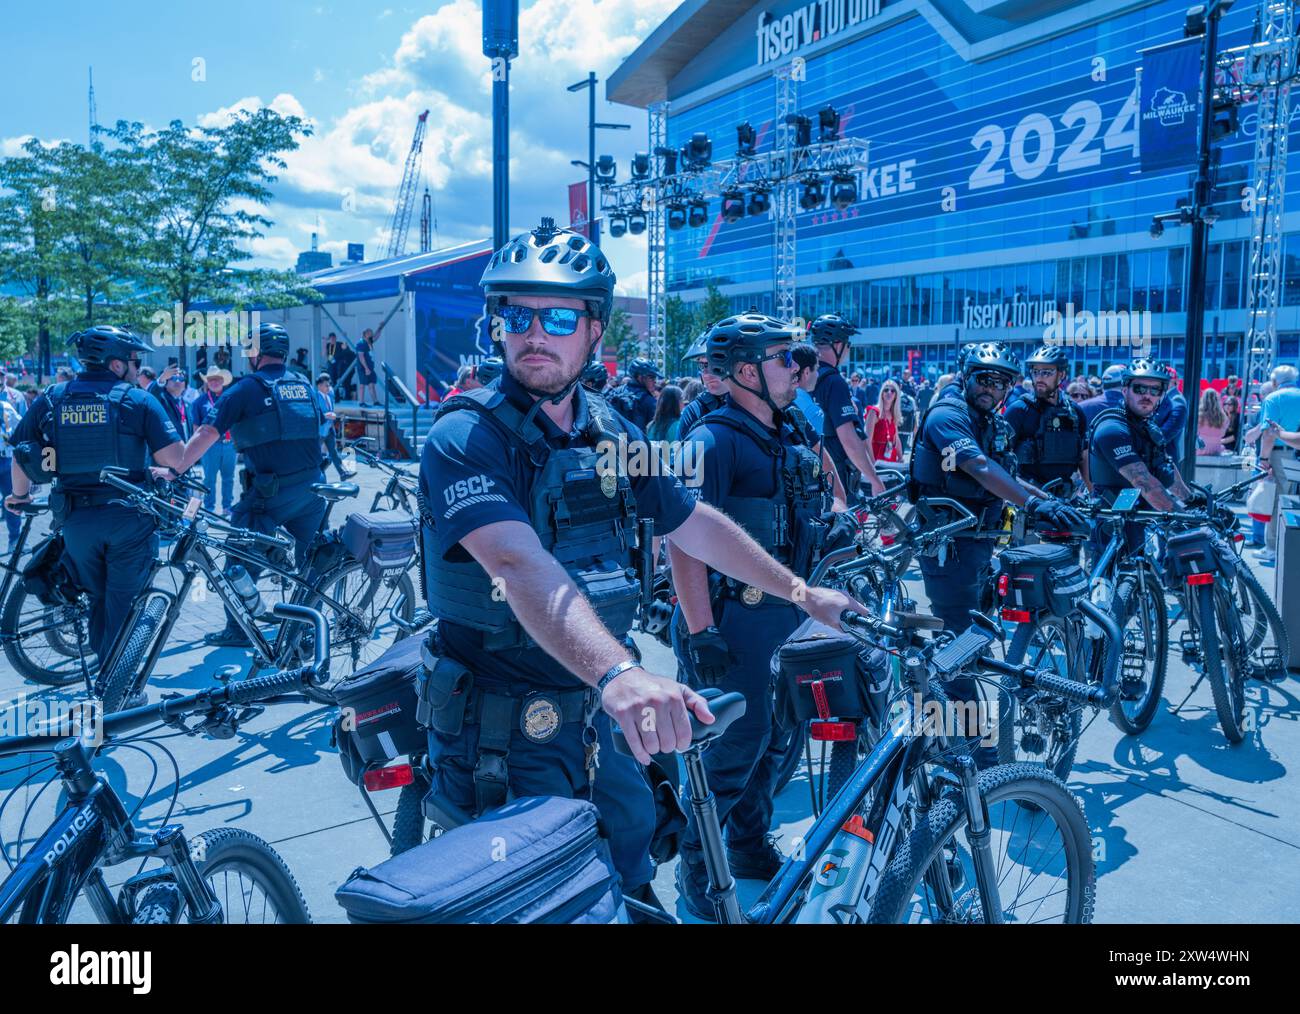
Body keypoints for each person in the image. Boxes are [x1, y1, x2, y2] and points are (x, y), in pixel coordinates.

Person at [416, 219, 866, 917]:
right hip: (506, 729)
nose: (535, 334)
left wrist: (803, 593)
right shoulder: (464, 437)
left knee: (630, 870)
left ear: (596, 330)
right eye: (516, 315)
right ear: (495, 325)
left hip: (602, 716)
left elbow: (693, 522)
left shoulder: (612, 431)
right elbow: (517, 562)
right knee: (540, 899)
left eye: (559, 316)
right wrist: (622, 672)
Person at [669, 311, 859, 919]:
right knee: (730, 750)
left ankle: (747, 850)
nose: (795, 368)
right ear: (746, 370)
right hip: (731, 623)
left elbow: (820, 490)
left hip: (784, 615)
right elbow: (682, 540)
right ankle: (701, 876)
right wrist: (701, 632)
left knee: (777, 740)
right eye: (782, 359)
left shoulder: (787, 429)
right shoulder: (710, 440)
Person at [5, 326, 186, 667]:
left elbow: (21, 454)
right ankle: (117, 686)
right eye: (134, 361)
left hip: (76, 521)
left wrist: (18, 497)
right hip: (129, 518)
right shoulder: (138, 400)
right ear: (115, 364)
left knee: (98, 595)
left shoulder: (52, 397)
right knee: (123, 601)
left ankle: (104, 665)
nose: (137, 368)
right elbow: (174, 460)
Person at [909, 340, 1083, 684]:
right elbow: (979, 466)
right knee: (956, 646)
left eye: (1002, 382)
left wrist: (1047, 501)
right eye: (985, 379)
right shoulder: (948, 415)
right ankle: (965, 734)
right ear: (966, 376)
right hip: (949, 546)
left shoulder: (987, 421)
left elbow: (1006, 473)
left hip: (978, 542)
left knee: (975, 630)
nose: (992, 388)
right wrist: (1030, 503)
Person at [161, 322, 327, 647]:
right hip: (312, 490)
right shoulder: (304, 385)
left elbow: (207, 433)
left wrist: (176, 469)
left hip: (269, 494)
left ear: (255, 354)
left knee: (239, 558)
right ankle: (307, 630)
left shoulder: (245, 389)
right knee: (313, 563)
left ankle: (237, 630)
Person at [808, 313, 885, 498]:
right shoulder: (834, 382)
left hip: (811, 472)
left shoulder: (806, 376)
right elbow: (849, 439)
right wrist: (874, 479)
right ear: (838, 344)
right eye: (848, 344)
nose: (849, 349)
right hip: (835, 477)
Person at [1003, 345, 1089, 494]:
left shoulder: (1075, 412)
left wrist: (1093, 494)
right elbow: (1000, 461)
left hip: (1066, 500)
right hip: (1027, 499)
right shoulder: (1018, 411)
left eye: (1046, 373)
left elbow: (1084, 458)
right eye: (1035, 372)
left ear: (1061, 375)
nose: (1039, 378)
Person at [1252, 363, 1300, 565]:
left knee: (1275, 499)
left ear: (1274, 382)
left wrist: (1263, 459)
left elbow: (1268, 433)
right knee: (1293, 500)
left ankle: (1271, 547)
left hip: (1278, 454)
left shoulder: (1273, 398)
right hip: (1296, 453)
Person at [192, 366, 237, 515]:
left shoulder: (231, 399)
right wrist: (196, 448)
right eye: (211, 380)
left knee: (228, 478)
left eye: (217, 379)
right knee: (209, 479)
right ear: (207, 382)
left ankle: (227, 507)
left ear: (223, 381)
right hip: (209, 446)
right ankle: (210, 509)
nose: (214, 382)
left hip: (229, 444)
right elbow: (196, 427)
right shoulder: (199, 402)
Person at [677, 336, 728, 436]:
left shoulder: (756, 405)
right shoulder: (694, 411)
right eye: (702, 365)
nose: (706, 373)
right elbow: (679, 450)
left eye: (713, 364)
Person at [316, 373, 355, 480]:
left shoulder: (329, 395)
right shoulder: (315, 397)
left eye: (329, 385)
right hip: (320, 431)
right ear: (319, 386)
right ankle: (317, 472)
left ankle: (342, 473)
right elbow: (315, 413)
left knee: (333, 452)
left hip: (329, 429)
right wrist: (325, 415)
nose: (328, 387)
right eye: (326, 385)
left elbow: (331, 409)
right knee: (315, 453)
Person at [610, 357, 661, 429]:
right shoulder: (648, 401)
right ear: (640, 377)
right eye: (652, 377)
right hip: (637, 439)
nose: (655, 381)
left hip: (614, 439)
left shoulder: (614, 392)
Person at [0, 395, 22, 552]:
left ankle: (15, 540)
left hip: (6, 460)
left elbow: (21, 427)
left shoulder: (6, 407)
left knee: (12, 500)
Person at [863, 378, 903, 465]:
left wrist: (900, 458)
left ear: (896, 395)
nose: (889, 392)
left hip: (891, 458)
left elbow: (897, 438)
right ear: (882, 393)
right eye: (886, 390)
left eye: (893, 391)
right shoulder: (874, 412)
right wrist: (873, 464)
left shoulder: (894, 413)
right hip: (876, 458)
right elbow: (867, 440)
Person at [1153, 364, 1188, 457]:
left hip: (1168, 454)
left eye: (1165, 381)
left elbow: (1166, 433)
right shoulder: (1164, 396)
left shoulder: (1176, 399)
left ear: (1174, 382)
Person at [1197, 388, 1231, 456]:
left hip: (1200, 449)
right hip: (1216, 449)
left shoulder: (1198, 415)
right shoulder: (1222, 416)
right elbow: (1223, 434)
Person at [356, 327, 379, 406]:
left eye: (371, 333)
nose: (371, 335)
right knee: (362, 384)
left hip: (370, 367)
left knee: (371, 384)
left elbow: (376, 337)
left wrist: (379, 328)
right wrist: (366, 368)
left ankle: (375, 401)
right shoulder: (361, 343)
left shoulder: (370, 342)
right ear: (365, 334)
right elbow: (361, 357)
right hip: (363, 368)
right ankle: (361, 402)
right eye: (369, 333)